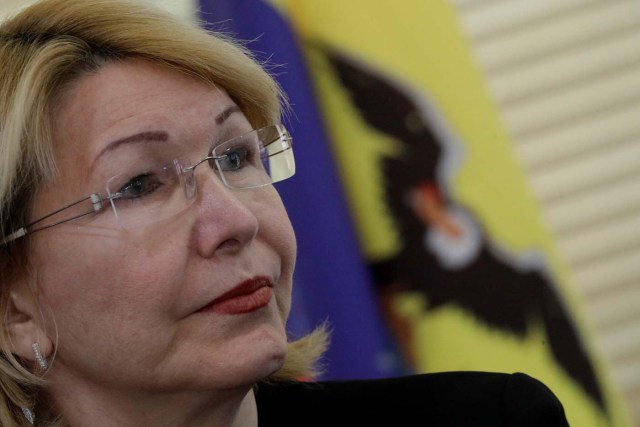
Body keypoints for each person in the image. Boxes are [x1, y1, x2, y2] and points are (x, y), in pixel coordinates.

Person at [0, 0, 569, 426]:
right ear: (13, 307)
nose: (237, 222)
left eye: (236, 156)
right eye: (141, 184)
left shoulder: (489, 420)